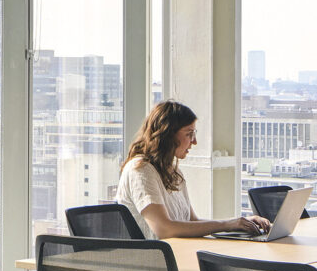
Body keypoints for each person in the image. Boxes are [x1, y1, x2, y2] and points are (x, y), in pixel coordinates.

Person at [114, 100, 269, 238]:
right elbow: (164, 229)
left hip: (178, 253)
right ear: (167, 135)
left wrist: (239, 223)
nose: (194, 142)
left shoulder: (173, 173)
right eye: (189, 134)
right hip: (156, 262)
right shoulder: (140, 170)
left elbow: (192, 222)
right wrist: (227, 224)